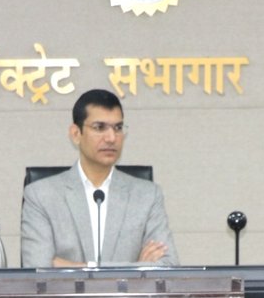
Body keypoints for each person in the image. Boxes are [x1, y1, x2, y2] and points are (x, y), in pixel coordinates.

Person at [21, 88, 178, 267]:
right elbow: (38, 269)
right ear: (76, 134)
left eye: (118, 128)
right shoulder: (41, 196)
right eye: (99, 128)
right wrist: (137, 268)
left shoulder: (147, 195)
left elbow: (168, 265)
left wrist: (70, 266)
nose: (111, 138)